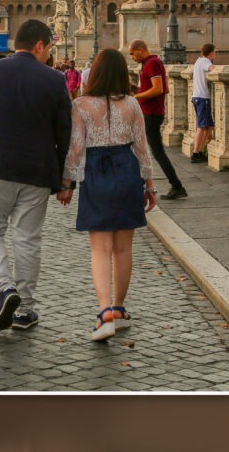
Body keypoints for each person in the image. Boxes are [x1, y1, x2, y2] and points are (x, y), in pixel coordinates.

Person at [0, 19, 72, 331]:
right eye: (49, 49)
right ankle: (25, 310)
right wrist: (64, 178)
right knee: (27, 239)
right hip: (36, 171)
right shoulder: (54, 80)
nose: (49, 56)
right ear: (39, 46)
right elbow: (65, 132)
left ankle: (5, 289)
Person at [62, 48, 159, 342]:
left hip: (95, 171)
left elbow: (75, 148)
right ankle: (118, 308)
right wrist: (150, 184)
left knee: (100, 248)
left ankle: (104, 311)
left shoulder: (80, 105)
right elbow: (142, 147)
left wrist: (67, 183)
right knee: (123, 248)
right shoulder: (131, 104)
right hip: (126, 170)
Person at [128, 40, 188, 200]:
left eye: (132, 54)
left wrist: (136, 96)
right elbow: (164, 88)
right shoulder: (153, 62)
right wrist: (139, 90)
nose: (132, 57)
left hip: (151, 114)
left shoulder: (151, 64)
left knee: (157, 152)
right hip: (152, 112)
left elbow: (158, 89)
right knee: (144, 148)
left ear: (140, 50)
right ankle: (141, 183)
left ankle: (177, 185)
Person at [187, 43, 217, 164]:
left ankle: (199, 151)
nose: (215, 54)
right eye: (214, 52)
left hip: (198, 97)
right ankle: (196, 153)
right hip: (202, 98)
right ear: (211, 53)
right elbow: (213, 69)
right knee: (202, 127)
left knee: (208, 127)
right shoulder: (206, 62)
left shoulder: (198, 61)